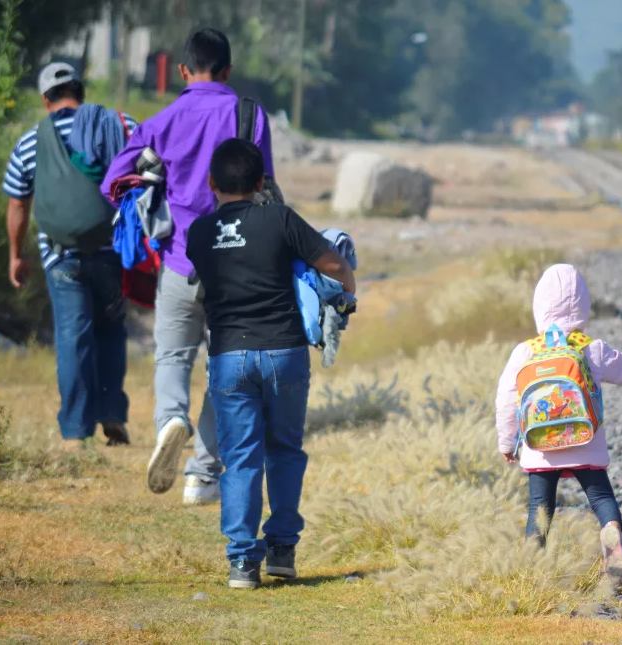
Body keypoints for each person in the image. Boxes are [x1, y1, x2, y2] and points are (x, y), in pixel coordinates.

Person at [102, 28, 275, 505]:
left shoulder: (163, 119)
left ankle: (170, 421)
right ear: (228, 70)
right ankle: (201, 474)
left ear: (183, 71)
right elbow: (267, 185)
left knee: (173, 357)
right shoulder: (249, 115)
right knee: (226, 369)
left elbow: (113, 181)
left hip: (180, 262)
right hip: (238, 269)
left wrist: (154, 174)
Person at [186, 138, 355, 589]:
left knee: (240, 459)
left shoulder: (198, 233)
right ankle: (281, 549)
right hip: (284, 352)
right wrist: (349, 288)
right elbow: (333, 264)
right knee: (284, 450)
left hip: (229, 357)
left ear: (211, 183)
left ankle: (243, 563)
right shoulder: (279, 219)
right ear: (261, 182)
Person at [495, 264, 622, 576]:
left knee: (539, 508)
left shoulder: (524, 352)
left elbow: (505, 399)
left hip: (540, 448)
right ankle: (611, 530)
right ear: (583, 306)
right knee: (600, 497)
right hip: (586, 443)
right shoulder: (591, 349)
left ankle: (531, 566)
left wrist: (507, 443)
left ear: (539, 306)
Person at [3, 62, 137, 451]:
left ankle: (76, 432)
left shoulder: (30, 141)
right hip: (112, 251)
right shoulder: (118, 124)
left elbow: (17, 204)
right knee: (111, 330)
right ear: (81, 91)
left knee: (73, 336)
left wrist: (15, 255)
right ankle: (112, 413)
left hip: (61, 255)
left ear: (46, 100)